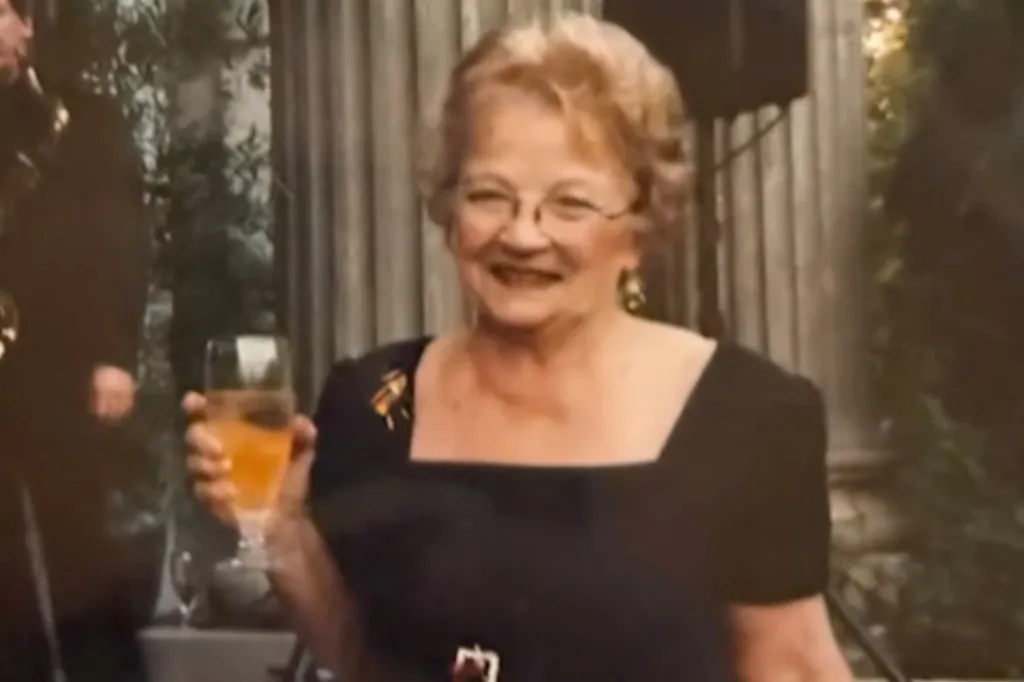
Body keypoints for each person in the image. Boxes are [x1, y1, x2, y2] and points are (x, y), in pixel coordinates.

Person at [185, 14, 853, 682]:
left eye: (570, 204)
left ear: (640, 229)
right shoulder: (378, 403)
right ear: (449, 212)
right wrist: (281, 533)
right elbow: (363, 659)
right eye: (489, 196)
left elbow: (792, 666)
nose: (524, 235)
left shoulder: (747, 416)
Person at [0, 0, 150, 679]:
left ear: (25, 24)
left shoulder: (88, 122)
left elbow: (120, 244)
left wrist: (115, 356)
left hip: (64, 363)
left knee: (79, 552)